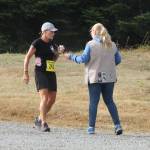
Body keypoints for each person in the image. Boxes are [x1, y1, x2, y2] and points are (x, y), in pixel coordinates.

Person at [64, 23, 123, 135]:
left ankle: (91, 127)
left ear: (94, 32)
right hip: (110, 77)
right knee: (110, 101)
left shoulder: (90, 44)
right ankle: (117, 125)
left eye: (91, 31)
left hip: (95, 76)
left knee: (94, 102)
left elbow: (83, 59)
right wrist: (108, 65)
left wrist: (71, 56)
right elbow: (118, 60)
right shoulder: (112, 44)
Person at [23, 22, 64, 132]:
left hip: (50, 71)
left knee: (52, 99)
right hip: (40, 72)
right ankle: (43, 123)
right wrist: (25, 73)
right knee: (44, 97)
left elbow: (53, 60)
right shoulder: (37, 43)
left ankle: (39, 118)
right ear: (45, 32)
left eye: (54, 32)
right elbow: (27, 57)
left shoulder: (52, 44)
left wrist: (59, 53)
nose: (53, 34)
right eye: (51, 32)